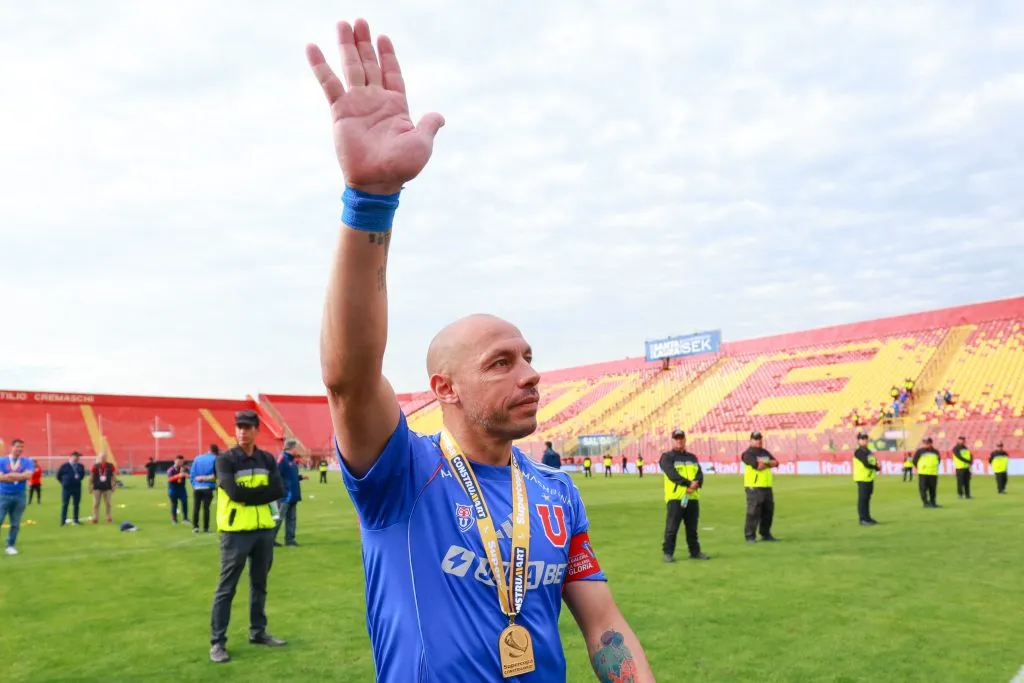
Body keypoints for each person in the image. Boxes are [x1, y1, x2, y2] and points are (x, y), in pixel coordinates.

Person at [305, 18, 654, 682]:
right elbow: (349, 376)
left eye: (527, 356)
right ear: (445, 387)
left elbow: (603, 623)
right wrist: (371, 200)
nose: (531, 374)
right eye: (501, 362)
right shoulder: (401, 473)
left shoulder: (555, 492)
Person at [208, 410, 286, 663]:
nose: (242, 431)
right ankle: (217, 642)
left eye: (247, 427)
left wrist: (249, 496)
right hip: (235, 533)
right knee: (226, 588)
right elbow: (234, 493)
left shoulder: (266, 458)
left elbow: (278, 490)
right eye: (239, 427)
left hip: (263, 530)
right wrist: (261, 493)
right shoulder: (225, 460)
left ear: (256, 430)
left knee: (259, 584)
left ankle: (258, 632)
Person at [658, 430, 709, 562]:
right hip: (676, 498)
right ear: (672, 440)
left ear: (685, 440)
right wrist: (688, 484)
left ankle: (695, 552)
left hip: (692, 497)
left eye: (681, 438)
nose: (679, 440)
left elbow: (699, 473)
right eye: (676, 438)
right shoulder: (667, 457)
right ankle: (668, 553)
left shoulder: (692, 457)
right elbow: (672, 474)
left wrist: (696, 483)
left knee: (692, 528)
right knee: (672, 528)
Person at [740, 431, 780, 543]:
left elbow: (776, 462)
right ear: (751, 440)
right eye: (756, 439)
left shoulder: (764, 452)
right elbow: (758, 466)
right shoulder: (747, 454)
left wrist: (765, 463)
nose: (758, 441)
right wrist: (768, 463)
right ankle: (750, 536)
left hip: (766, 485)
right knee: (753, 512)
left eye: (760, 439)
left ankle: (765, 534)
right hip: (754, 486)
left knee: (768, 511)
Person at [0, 438, 34, 555]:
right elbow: (0, 478)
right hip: (3, 495)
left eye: (21, 447)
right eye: (17, 446)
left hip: (20, 496)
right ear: (12, 447)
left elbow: (28, 476)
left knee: (15, 523)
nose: (19, 449)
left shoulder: (27, 461)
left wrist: (8, 476)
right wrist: (19, 476)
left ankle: (10, 545)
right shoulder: (2, 460)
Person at [273, 439, 308, 547]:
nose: (298, 449)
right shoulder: (282, 459)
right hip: (284, 495)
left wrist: (300, 477)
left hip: (293, 494)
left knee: (291, 519)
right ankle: (270, 540)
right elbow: (275, 475)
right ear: (291, 448)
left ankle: (290, 540)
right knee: (278, 518)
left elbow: (290, 476)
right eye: (296, 447)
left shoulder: (292, 460)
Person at [852, 432, 881, 526]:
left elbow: (872, 461)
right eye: (862, 439)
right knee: (863, 499)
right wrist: (876, 467)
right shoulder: (859, 451)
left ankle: (867, 517)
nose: (865, 440)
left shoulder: (868, 451)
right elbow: (866, 463)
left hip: (868, 477)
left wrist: (877, 466)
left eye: (865, 438)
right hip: (862, 478)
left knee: (867, 499)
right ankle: (863, 519)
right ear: (858, 440)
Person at [191, 445, 219, 534]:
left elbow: (192, 473)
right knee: (206, 508)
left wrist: (194, 484)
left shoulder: (197, 458)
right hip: (208, 487)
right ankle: (206, 528)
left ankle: (195, 527)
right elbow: (217, 475)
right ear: (216, 452)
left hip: (197, 487)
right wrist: (205, 478)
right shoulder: (216, 459)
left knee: (196, 508)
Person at [56, 451, 87, 525]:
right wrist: (64, 482)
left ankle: (76, 520)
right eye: (76, 456)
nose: (77, 458)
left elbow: (82, 475)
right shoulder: (64, 466)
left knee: (76, 504)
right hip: (67, 488)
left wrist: (77, 480)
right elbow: (58, 476)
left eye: (78, 457)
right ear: (71, 457)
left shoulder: (80, 466)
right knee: (65, 504)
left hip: (77, 487)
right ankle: (63, 521)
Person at [913, 437, 941, 508]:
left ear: (931, 443)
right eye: (924, 443)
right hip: (923, 473)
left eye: (927, 443)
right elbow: (915, 461)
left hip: (933, 473)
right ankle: (926, 503)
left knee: (933, 489)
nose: (925, 444)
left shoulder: (936, 451)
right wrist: (921, 468)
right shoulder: (920, 451)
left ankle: (933, 502)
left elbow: (938, 460)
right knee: (923, 489)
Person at [89, 453, 117, 524]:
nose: (103, 458)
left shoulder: (110, 466)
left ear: (106, 458)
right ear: (99, 458)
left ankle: (108, 517)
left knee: (108, 503)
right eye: (102, 457)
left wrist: (114, 485)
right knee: (96, 503)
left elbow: (114, 476)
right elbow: (92, 476)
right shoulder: (95, 466)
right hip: (97, 487)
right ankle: (95, 518)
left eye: (104, 457)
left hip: (107, 487)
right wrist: (90, 486)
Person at [167, 455, 191, 524]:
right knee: (174, 504)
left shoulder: (185, 468)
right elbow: (169, 479)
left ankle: (185, 518)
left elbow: (190, 475)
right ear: (175, 461)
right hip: (173, 489)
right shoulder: (171, 469)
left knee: (185, 503)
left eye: (181, 462)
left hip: (182, 489)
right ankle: (174, 519)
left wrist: (187, 475)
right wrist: (178, 476)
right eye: (178, 461)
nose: (180, 463)